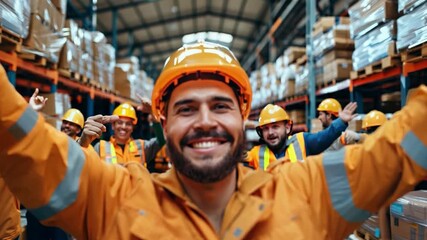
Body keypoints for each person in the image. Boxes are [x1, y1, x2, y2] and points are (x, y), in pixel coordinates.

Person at [0, 43, 426, 239]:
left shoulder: (305, 193)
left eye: (220, 107)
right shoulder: (112, 199)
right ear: (163, 127)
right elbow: (21, 141)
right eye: (186, 109)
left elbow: (402, 147)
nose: (205, 122)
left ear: (245, 121)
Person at [246, 101, 356, 170]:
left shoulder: (301, 141)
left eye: (275, 127)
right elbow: (233, 157)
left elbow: (324, 137)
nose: (270, 132)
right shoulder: (256, 153)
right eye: (265, 128)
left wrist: (340, 122)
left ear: (287, 128)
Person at [79, 102, 165, 165]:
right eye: (119, 122)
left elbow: (162, 140)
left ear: (133, 128)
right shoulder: (100, 147)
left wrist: (153, 113)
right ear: (113, 126)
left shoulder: (142, 146)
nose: (123, 127)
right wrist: (82, 143)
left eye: (128, 124)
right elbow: (82, 164)